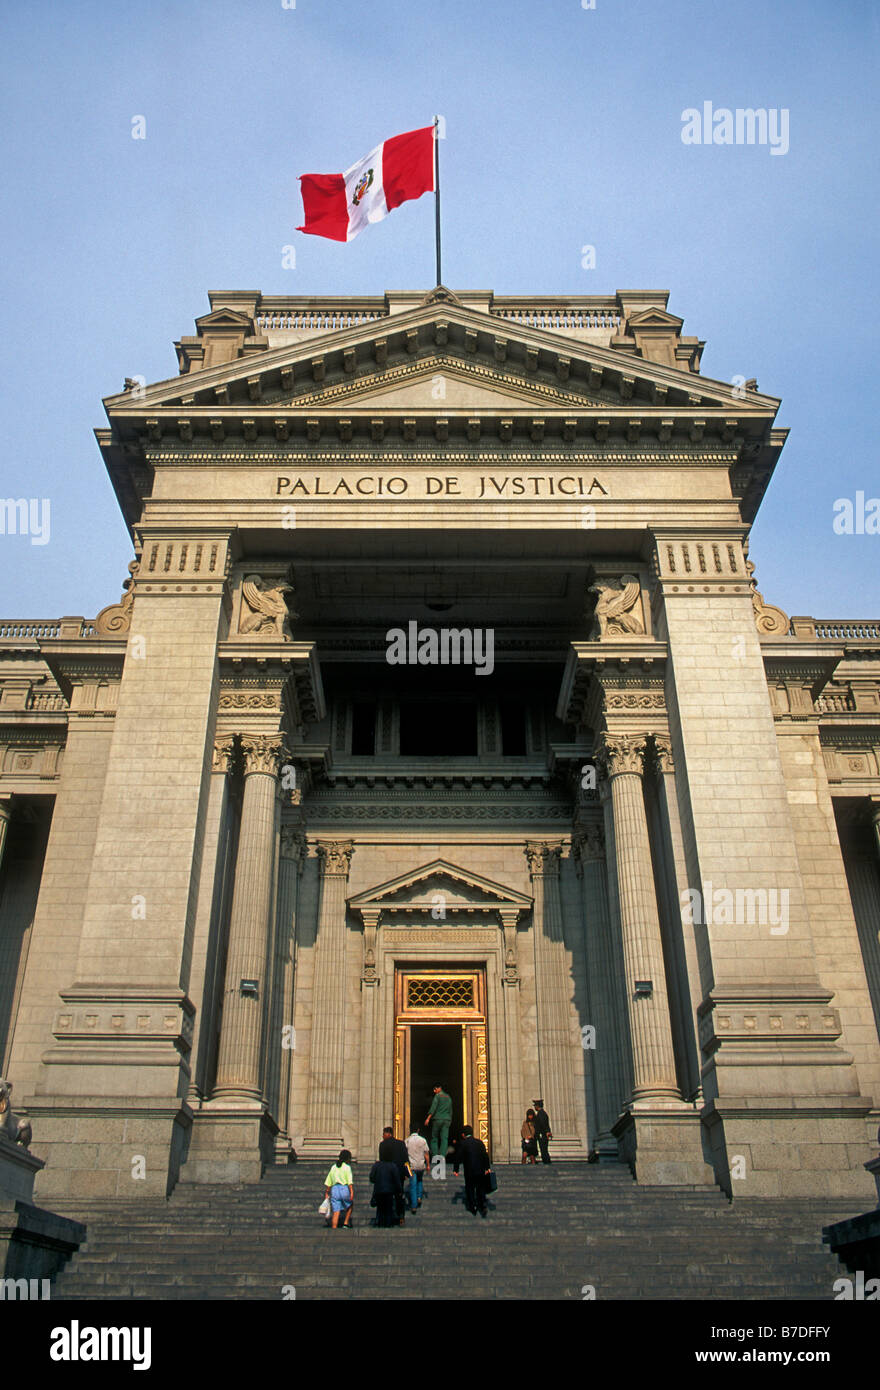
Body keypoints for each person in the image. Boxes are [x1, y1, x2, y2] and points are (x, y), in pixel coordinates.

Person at [452, 1124, 491, 1217]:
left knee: (470, 1188)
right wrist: (487, 1168)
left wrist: (456, 1169)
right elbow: (485, 1155)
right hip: (480, 1170)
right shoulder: (480, 1142)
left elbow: (458, 1157)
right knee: (480, 1188)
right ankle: (482, 1206)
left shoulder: (464, 1143)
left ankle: (473, 1206)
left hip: (469, 1170)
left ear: (463, 1135)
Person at [378, 1125, 411, 1225]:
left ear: (388, 1134)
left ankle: (387, 1217)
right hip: (399, 1174)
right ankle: (401, 1217)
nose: (382, 1136)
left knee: (387, 1196)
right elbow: (406, 1159)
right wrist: (407, 1173)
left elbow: (381, 1159)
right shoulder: (401, 1143)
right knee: (399, 1195)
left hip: (387, 1174)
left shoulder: (383, 1144)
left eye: (383, 1134)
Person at [323, 1148, 354, 1229]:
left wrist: (327, 1192)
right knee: (350, 1205)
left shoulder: (334, 1167)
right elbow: (349, 1181)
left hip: (334, 1189)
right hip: (344, 1188)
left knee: (336, 1212)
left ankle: (334, 1227)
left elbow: (329, 1181)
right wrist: (351, 1192)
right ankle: (346, 1222)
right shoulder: (347, 1167)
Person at [368, 1156, 402, 1228]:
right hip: (389, 1191)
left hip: (379, 1190)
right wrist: (399, 1190)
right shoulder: (393, 1166)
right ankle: (388, 1224)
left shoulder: (377, 1165)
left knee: (380, 1208)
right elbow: (396, 1179)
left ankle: (380, 1223)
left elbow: (372, 1177)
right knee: (389, 1208)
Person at [424, 1083, 453, 1158]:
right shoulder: (448, 1097)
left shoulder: (438, 1096)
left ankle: (435, 1155)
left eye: (435, 1089)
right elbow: (450, 1110)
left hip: (437, 1119)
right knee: (444, 1139)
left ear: (439, 1088)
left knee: (434, 1138)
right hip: (446, 1120)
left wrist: (428, 1118)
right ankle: (443, 1156)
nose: (434, 1091)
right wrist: (449, 1120)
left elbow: (433, 1108)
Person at [405, 1127, 430, 1210]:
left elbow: (405, 1154)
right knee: (419, 1181)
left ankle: (414, 1205)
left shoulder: (407, 1141)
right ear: (418, 1130)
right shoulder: (423, 1140)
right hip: (421, 1165)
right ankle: (419, 1197)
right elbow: (426, 1153)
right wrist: (428, 1165)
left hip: (412, 1166)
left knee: (413, 1185)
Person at [533, 1099, 552, 1164]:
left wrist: (546, 1132)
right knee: (544, 1149)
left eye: (535, 1105)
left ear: (538, 1106)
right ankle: (546, 1161)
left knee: (543, 1150)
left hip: (542, 1135)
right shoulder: (542, 1113)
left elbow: (543, 1124)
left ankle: (547, 1162)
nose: (534, 1107)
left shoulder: (541, 1114)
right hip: (543, 1134)